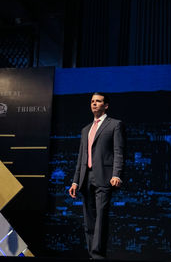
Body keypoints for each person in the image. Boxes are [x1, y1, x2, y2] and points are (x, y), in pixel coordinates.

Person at [69, 92, 126, 260]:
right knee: (89, 220)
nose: (94, 104)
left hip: (104, 176)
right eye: (92, 101)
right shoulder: (85, 129)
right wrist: (74, 181)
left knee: (101, 217)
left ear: (105, 105)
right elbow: (81, 157)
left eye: (98, 101)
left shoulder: (115, 124)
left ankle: (98, 255)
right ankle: (91, 254)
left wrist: (117, 174)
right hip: (86, 178)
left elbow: (119, 152)